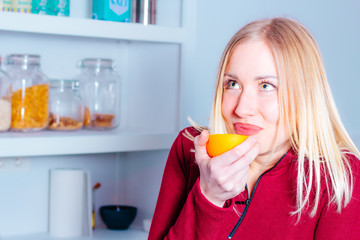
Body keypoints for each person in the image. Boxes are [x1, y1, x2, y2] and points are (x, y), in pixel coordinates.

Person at [148, 17, 360, 240]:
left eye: (266, 86)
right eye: (232, 84)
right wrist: (209, 197)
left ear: (304, 96)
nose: (242, 108)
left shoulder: (341, 177)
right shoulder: (189, 146)